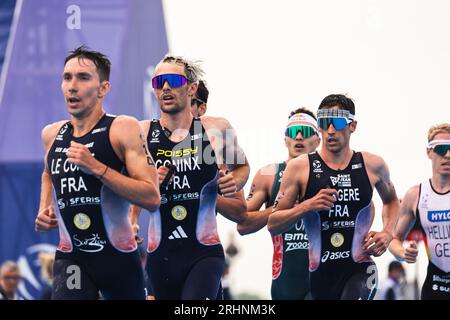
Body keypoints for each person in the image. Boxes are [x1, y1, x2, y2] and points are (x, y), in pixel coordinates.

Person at [34, 46, 160, 300]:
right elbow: (48, 171)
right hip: (72, 256)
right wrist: (44, 207)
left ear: (103, 88)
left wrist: (97, 168)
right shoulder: (52, 134)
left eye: (83, 77)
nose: (72, 85)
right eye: (67, 77)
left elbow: (151, 197)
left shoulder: (121, 128)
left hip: (117, 256)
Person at [130, 55, 249, 300]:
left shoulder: (215, 129)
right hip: (159, 256)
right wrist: (132, 220)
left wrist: (235, 181)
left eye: (173, 80)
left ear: (191, 88)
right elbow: (130, 189)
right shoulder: (140, 132)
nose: (165, 87)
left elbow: (242, 168)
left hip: (203, 253)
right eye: (159, 81)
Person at [270, 94, 400, 300]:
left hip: (360, 268)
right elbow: (273, 223)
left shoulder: (372, 165)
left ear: (352, 125)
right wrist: (307, 206)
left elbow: (392, 201)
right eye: (324, 123)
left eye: (338, 122)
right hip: (321, 273)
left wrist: (388, 232)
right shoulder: (299, 168)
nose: (330, 130)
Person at [237, 107, 321, 299]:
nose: (299, 136)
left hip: (324, 276)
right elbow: (242, 225)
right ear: (286, 140)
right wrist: (282, 210)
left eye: (306, 131)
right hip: (286, 280)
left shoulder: (332, 173)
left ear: (317, 139)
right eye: (293, 132)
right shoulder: (269, 174)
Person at [389, 123, 450, 300]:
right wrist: (403, 253)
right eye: (441, 149)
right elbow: (393, 239)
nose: (447, 155)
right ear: (429, 152)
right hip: (435, 286)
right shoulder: (416, 195)